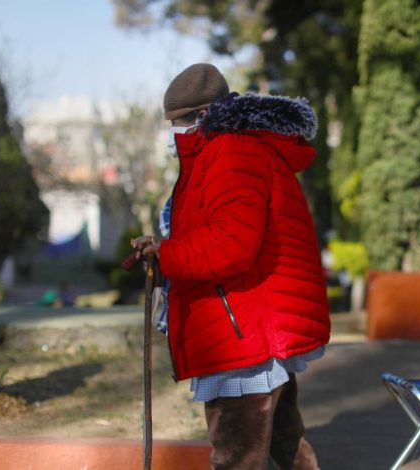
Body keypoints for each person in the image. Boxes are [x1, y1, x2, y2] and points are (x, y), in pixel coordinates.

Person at [132, 63, 330, 470]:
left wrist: (168, 254)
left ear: (204, 114)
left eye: (178, 121)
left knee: (236, 454)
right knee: (286, 446)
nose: (173, 132)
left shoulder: (230, 152)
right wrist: (164, 252)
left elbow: (232, 245)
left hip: (241, 334)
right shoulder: (229, 150)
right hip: (251, 325)